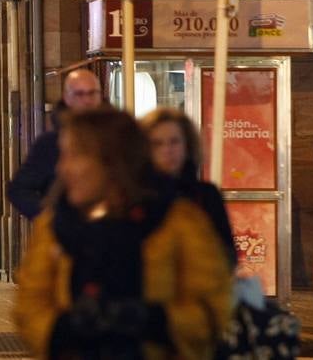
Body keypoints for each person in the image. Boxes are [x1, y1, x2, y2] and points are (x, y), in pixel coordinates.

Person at [15, 107, 231, 360]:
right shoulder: (54, 227)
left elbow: (211, 311)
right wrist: (65, 329)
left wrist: (153, 321)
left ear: (111, 160)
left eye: (75, 156)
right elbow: (29, 308)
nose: (62, 168)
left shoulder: (177, 221)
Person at [142, 107, 235, 270]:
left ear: (187, 145)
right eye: (157, 144)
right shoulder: (138, 196)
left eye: (174, 141)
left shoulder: (206, 195)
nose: (167, 150)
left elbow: (227, 252)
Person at [7, 68, 102, 218]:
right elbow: (19, 190)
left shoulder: (117, 135)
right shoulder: (49, 145)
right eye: (79, 94)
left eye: (92, 93)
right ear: (67, 98)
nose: (87, 100)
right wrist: (51, 218)